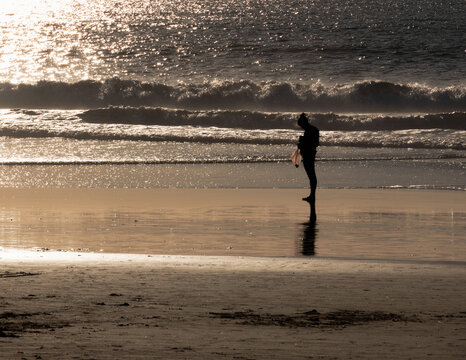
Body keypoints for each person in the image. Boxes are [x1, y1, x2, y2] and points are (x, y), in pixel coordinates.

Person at [297, 113, 319, 220]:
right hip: (309, 154)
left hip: (309, 154)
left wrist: (302, 143)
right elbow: (315, 143)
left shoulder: (311, 130)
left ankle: (312, 196)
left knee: (311, 175)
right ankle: (312, 195)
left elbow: (313, 143)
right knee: (311, 175)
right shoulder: (313, 130)